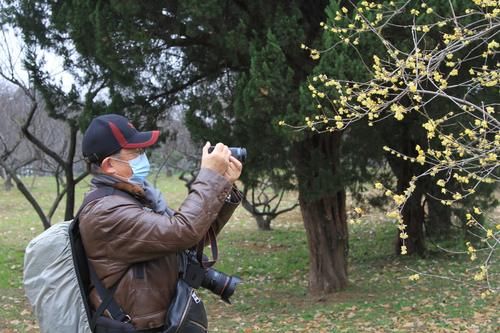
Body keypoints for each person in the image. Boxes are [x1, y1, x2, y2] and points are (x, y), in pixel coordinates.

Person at [79, 113, 242, 332]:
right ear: (109, 165)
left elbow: (190, 239)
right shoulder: (106, 212)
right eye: (136, 152)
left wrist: (224, 185)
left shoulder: (133, 199)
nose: (143, 157)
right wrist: (210, 176)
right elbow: (183, 231)